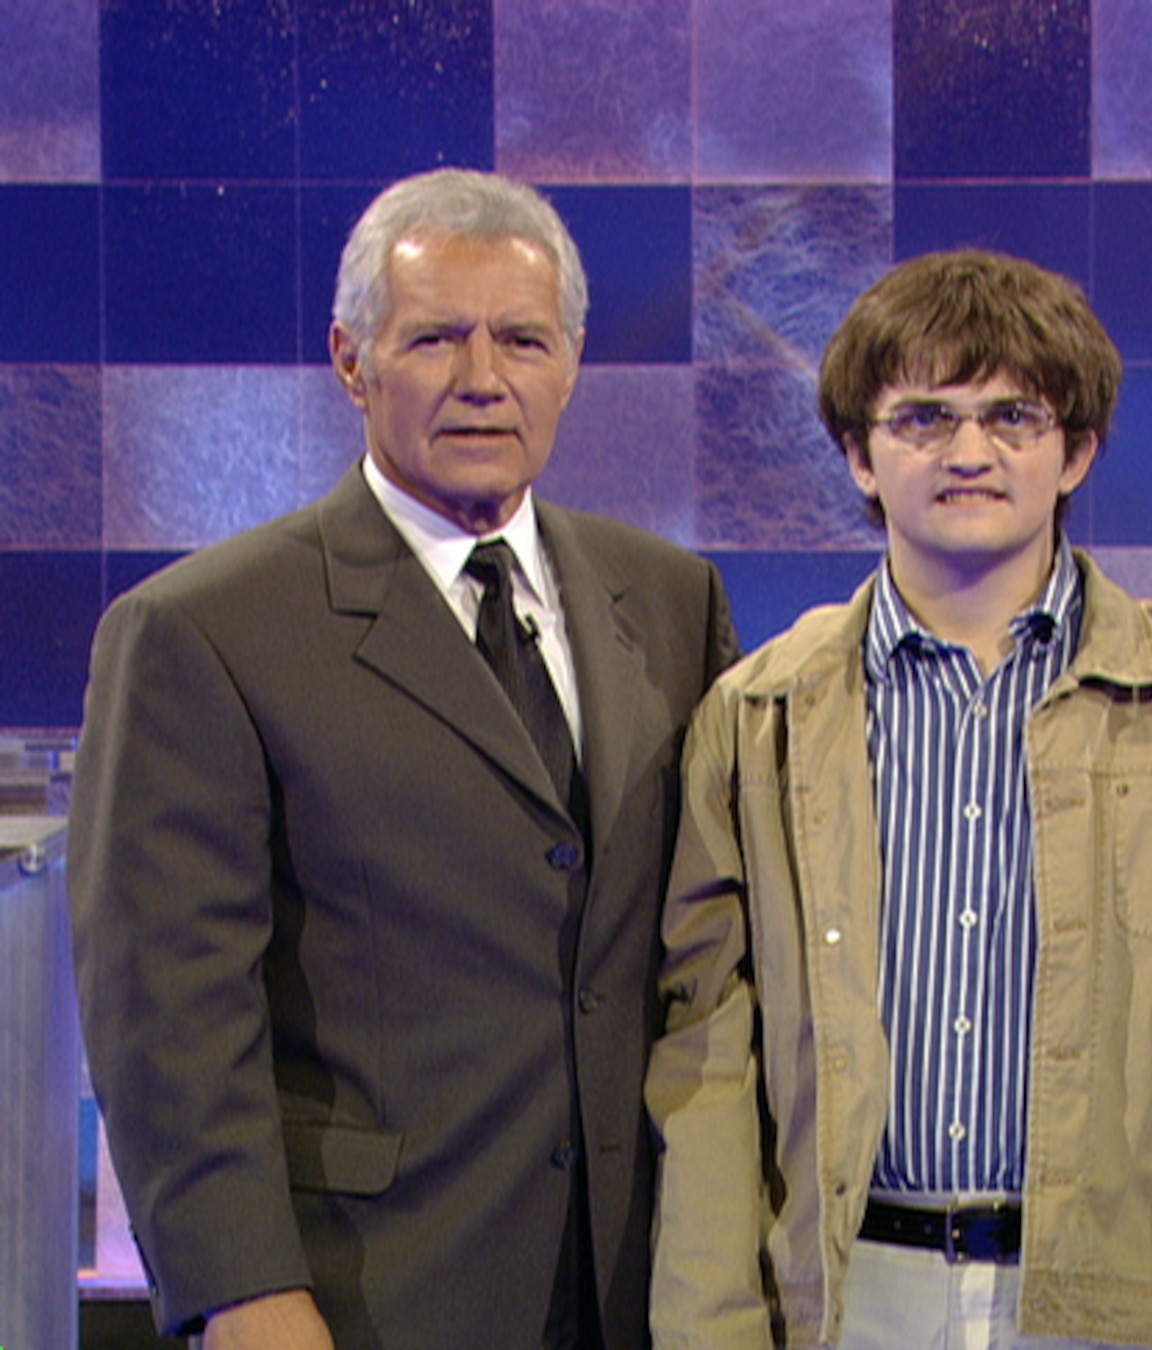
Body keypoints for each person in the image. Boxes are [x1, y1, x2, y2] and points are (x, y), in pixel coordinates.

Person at [68, 168, 738, 1350]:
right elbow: (166, 1017)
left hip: (642, 1290)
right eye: (435, 337)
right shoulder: (204, 630)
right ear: (350, 360)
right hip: (365, 1295)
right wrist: (242, 1291)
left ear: (572, 361)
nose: (484, 379)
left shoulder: (671, 600)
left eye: (522, 339)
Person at [644, 249, 1152, 1348]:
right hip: (852, 1297)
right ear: (857, 453)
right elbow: (706, 1051)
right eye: (921, 419)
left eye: (1012, 417)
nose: (968, 454)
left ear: (1075, 449)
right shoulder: (760, 714)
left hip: (1112, 1306)